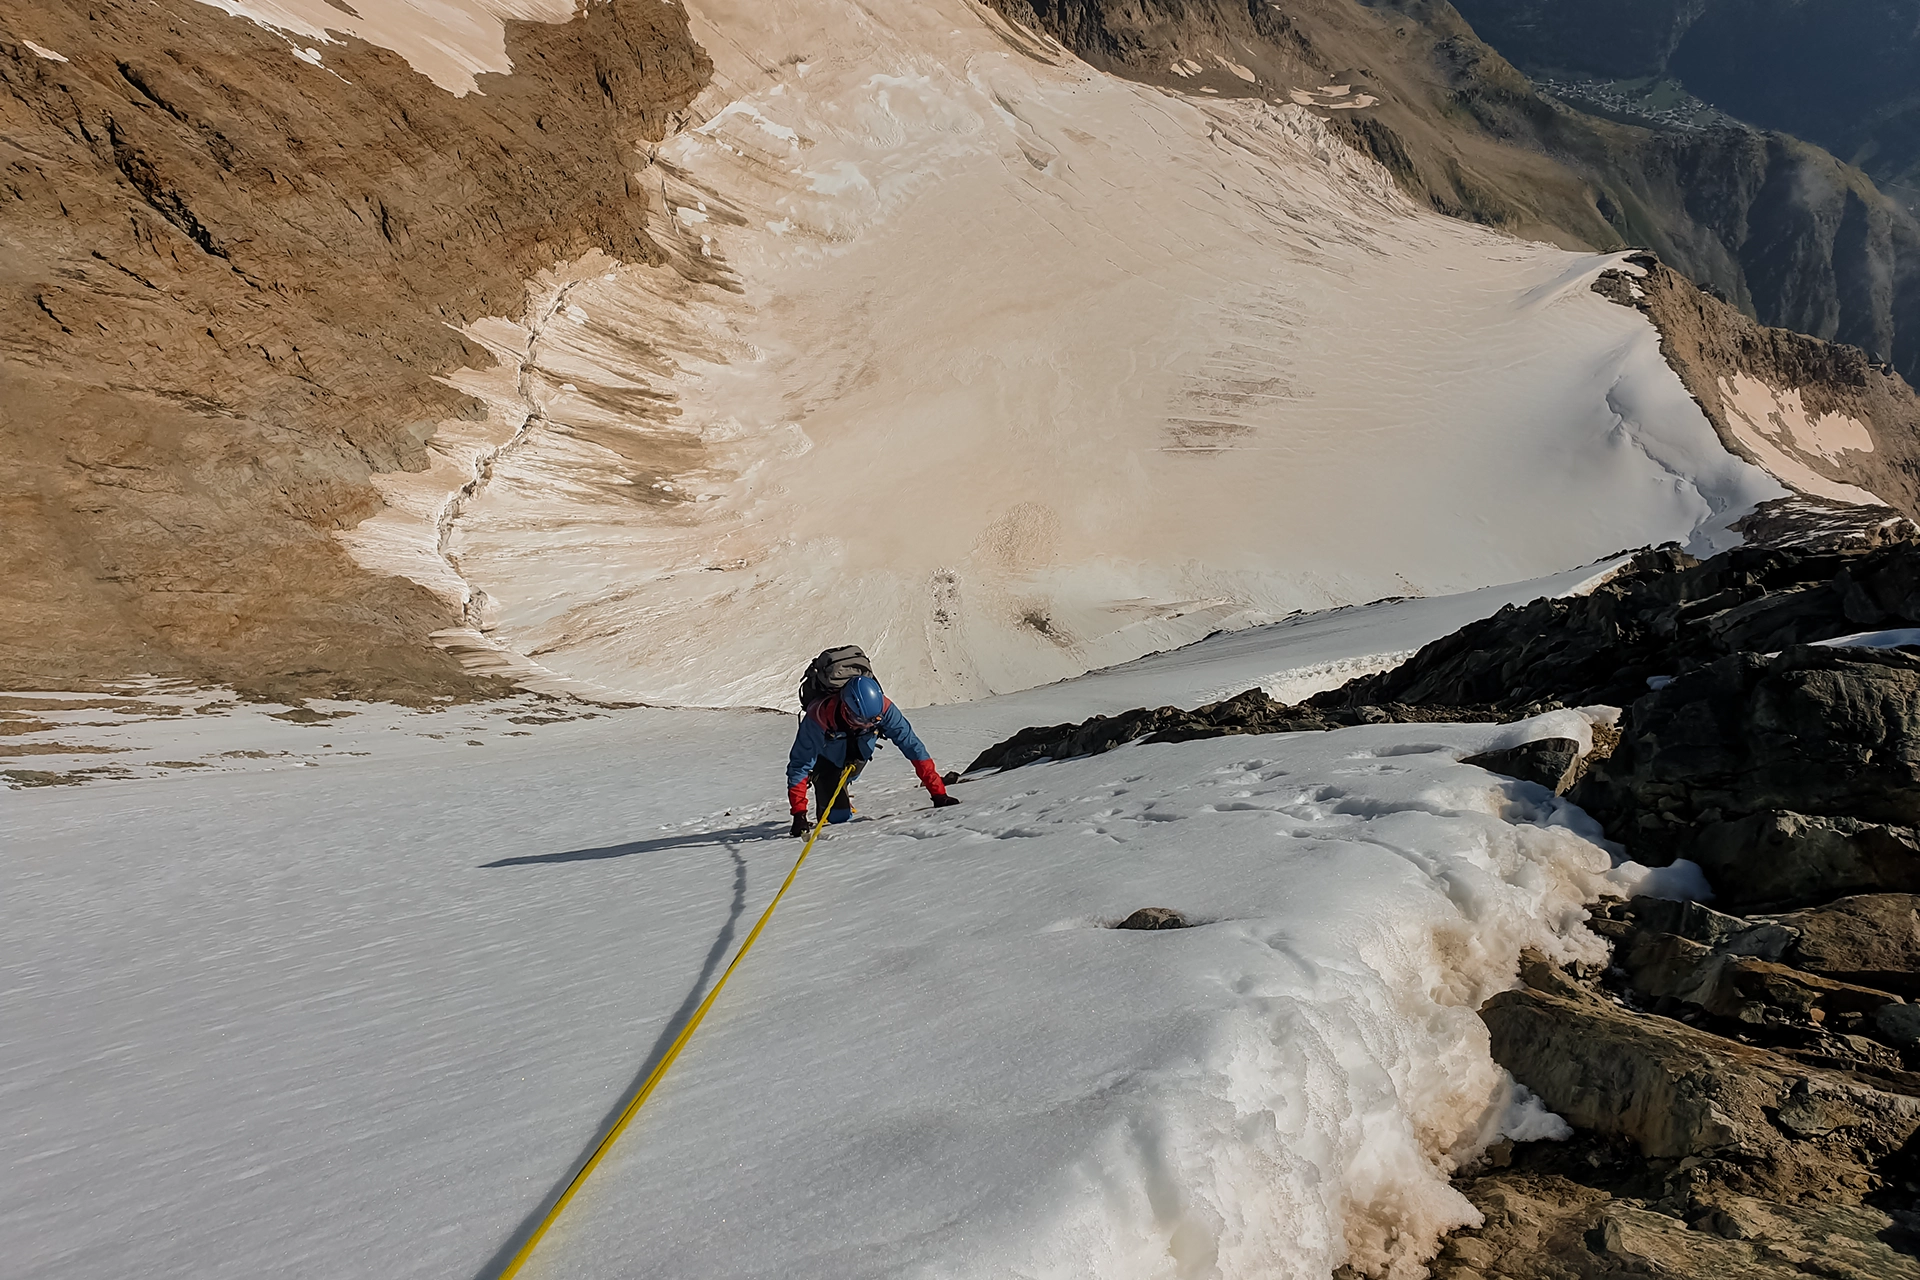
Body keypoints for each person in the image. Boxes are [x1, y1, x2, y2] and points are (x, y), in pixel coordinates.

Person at [787, 675, 958, 836]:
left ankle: (842, 786)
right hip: (826, 762)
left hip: (857, 756)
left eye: (874, 721)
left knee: (846, 782)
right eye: (861, 721)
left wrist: (939, 794)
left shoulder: (884, 710)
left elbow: (914, 748)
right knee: (838, 818)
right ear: (845, 709)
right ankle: (829, 788)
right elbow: (799, 766)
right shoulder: (818, 718)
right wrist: (799, 814)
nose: (868, 725)